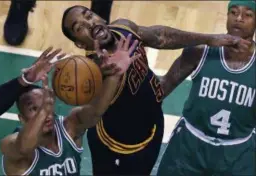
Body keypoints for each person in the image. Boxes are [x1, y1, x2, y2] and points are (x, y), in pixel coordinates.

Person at [61, 5, 251, 175]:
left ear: (101, 17)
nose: (89, 24)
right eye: (80, 28)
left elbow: (160, 37)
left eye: (89, 15)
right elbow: (94, 112)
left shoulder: (124, 28)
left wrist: (209, 39)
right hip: (117, 148)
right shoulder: (91, 74)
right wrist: (113, 74)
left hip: (152, 133)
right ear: (80, 44)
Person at [0, 36, 140, 176]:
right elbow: (23, 148)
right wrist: (44, 110)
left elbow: (95, 111)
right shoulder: (10, 144)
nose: (46, 111)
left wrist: (114, 74)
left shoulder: (70, 127)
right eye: (34, 109)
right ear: (22, 119)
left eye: (45, 103)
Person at [156, 1, 255, 175]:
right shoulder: (201, 51)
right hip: (189, 146)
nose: (238, 18)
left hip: (238, 152)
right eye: (233, 12)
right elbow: (164, 86)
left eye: (248, 15)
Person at [0, 47, 66, 125]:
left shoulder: (70, 130)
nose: (43, 114)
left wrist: (25, 80)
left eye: (46, 105)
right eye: (34, 108)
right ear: (22, 119)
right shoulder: (11, 142)